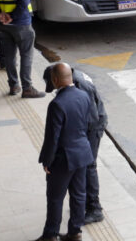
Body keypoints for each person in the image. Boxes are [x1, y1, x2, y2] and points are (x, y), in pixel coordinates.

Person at [26, 63, 97, 241]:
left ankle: (50, 235)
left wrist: (46, 161)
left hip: (63, 159)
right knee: (79, 195)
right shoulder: (84, 96)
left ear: (55, 80)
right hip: (83, 154)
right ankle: (75, 232)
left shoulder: (57, 104)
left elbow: (52, 137)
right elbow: (90, 123)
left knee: (56, 198)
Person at [43, 63, 108, 224]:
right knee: (83, 165)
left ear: (57, 79)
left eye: (53, 84)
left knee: (88, 165)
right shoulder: (72, 77)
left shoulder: (81, 87)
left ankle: (94, 208)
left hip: (93, 126)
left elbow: (90, 118)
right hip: (87, 125)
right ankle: (81, 205)